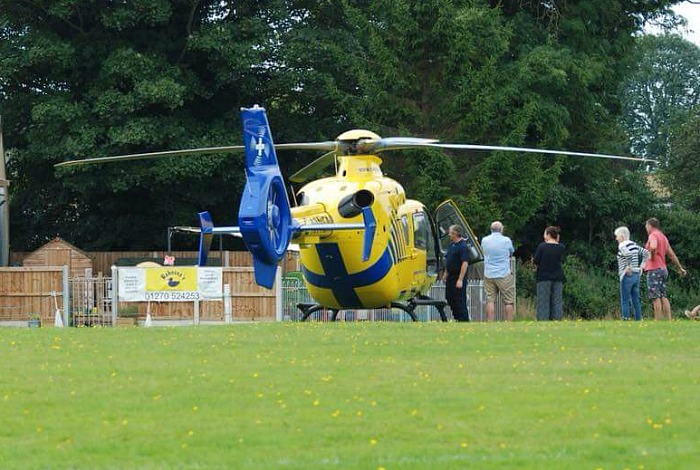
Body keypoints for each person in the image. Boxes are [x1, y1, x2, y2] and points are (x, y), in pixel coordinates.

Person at [643, 217, 687, 320]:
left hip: (654, 269)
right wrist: (680, 268)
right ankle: (669, 320)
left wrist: (652, 257)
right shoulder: (663, 237)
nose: (646, 228)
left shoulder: (653, 235)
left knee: (655, 297)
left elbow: (653, 247)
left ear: (650, 225)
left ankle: (657, 321)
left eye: (646, 225)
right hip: (663, 269)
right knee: (663, 295)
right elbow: (671, 255)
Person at [481, 221, 515, 321]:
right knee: (508, 301)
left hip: (489, 274)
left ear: (491, 229)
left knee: (490, 300)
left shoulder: (485, 240)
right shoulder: (506, 240)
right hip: (503, 273)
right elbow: (511, 252)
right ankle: (509, 323)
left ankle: (490, 322)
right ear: (501, 229)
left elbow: (483, 251)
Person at [614, 226, 650, 321]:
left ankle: (626, 319)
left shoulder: (622, 245)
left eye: (617, 236)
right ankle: (639, 319)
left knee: (625, 299)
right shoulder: (634, 245)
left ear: (622, 236)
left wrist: (628, 266)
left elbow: (628, 255)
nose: (616, 238)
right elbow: (646, 253)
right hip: (636, 275)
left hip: (627, 275)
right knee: (636, 299)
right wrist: (642, 266)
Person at [533, 226, 566, 321]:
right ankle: (557, 319)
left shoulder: (542, 246)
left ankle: (543, 320)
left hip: (543, 277)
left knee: (543, 301)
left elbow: (536, 260)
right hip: (557, 277)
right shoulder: (561, 247)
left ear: (548, 235)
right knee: (557, 301)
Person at [442, 224, 470, 321]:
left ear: (455, 233)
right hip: (450, 277)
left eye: (451, 233)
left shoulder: (463, 247)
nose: (449, 234)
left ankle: (463, 320)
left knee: (459, 300)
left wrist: (460, 279)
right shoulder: (451, 245)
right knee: (449, 297)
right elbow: (448, 260)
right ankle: (456, 318)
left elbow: (465, 263)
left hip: (458, 277)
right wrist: (445, 273)